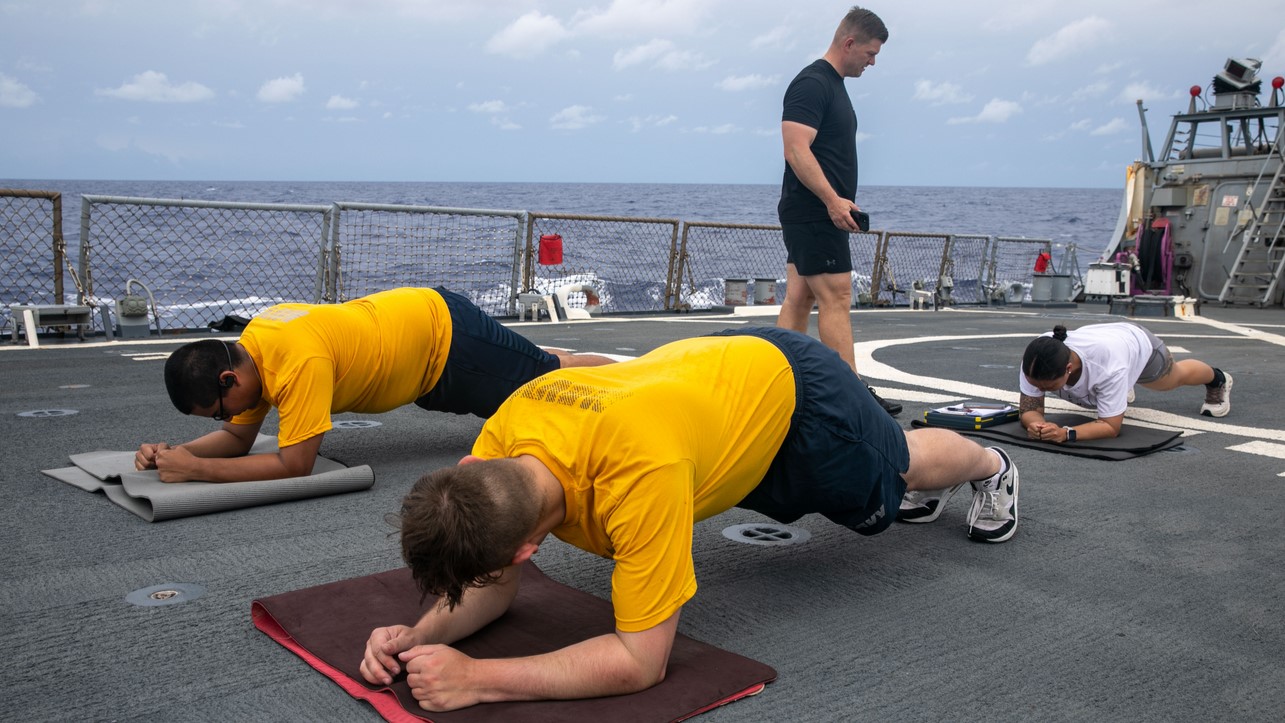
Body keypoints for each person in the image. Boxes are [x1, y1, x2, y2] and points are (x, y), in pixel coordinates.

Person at [359, 327, 1019, 711]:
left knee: (891, 472)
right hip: (707, 388)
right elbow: (488, 582)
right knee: (865, 480)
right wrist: (414, 635)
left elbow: (638, 661)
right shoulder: (503, 438)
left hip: (796, 400)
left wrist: (479, 679)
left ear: (528, 549)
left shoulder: (637, 484)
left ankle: (989, 463)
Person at [134, 287, 613, 483]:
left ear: (227, 378)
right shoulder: (254, 345)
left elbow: (295, 463)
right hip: (426, 354)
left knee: (545, 382)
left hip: (447, 344)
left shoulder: (298, 360)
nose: (226, 418)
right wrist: (175, 453)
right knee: (545, 366)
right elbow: (240, 438)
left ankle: (631, 378)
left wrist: (198, 469)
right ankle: (617, 371)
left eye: (218, 410)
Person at [774, 6, 900, 417]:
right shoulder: (812, 84)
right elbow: (795, 148)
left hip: (816, 212)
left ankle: (773, 380)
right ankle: (852, 400)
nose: (873, 62)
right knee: (837, 296)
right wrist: (832, 200)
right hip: (815, 212)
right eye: (870, 52)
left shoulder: (832, 85)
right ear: (849, 43)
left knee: (800, 297)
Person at [1018, 322, 1232, 444]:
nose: (1040, 390)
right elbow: (1030, 408)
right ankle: (1118, 391)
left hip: (1140, 346)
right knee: (1109, 387)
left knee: (1173, 378)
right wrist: (1037, 425)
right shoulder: (1037, 359)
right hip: (1107, 343)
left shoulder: (1109, 366)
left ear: (1068, 369)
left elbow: (1111, 427)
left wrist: (1066, 433)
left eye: (1047, 387)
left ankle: (1218, 379)